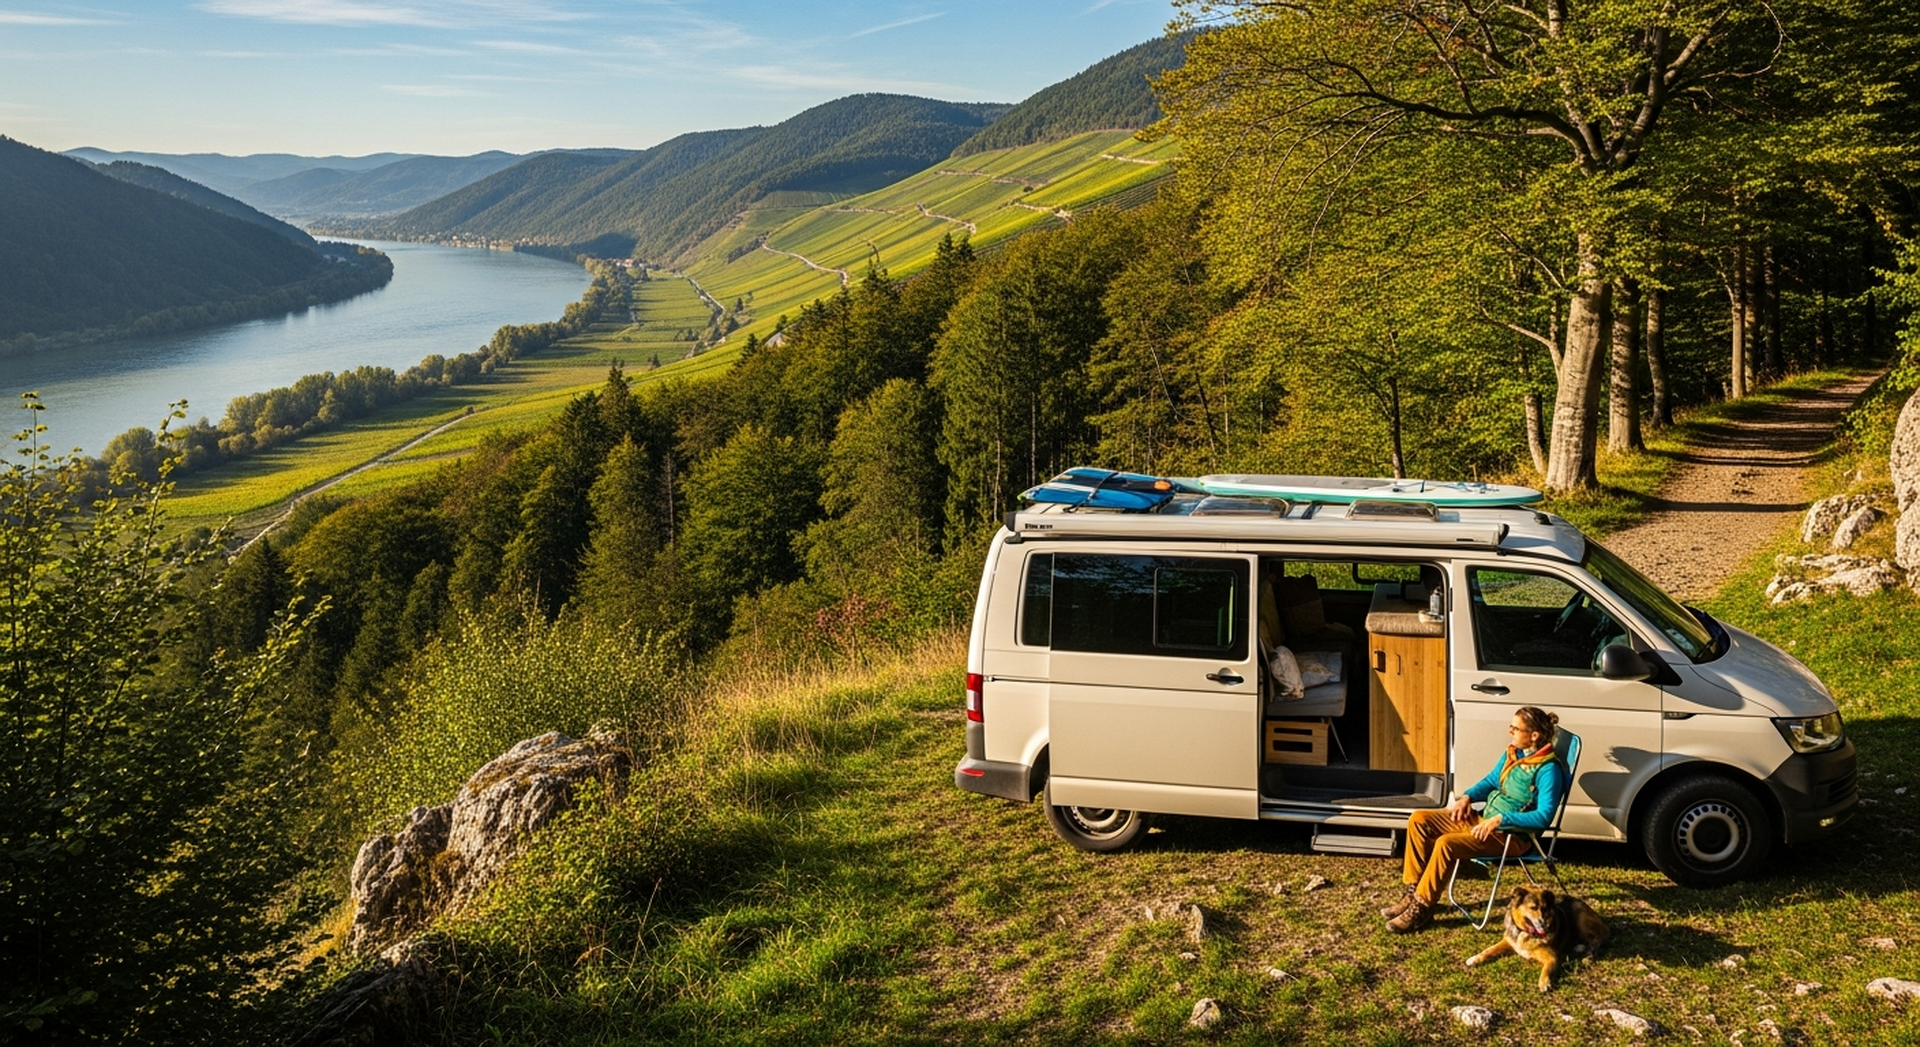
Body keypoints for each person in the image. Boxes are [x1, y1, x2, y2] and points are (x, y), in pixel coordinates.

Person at [1380, 706, 1568, 933]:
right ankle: (1413, 892)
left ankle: (1422, 908)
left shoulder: (1549, 770)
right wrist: (1467, 798)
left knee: (1446, 844)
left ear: (1534, 736)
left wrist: (1500, 819)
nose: (1510, 731)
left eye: (1515, 728)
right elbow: (1490, 782)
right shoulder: (1514, 754)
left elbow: (1543, 817)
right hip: (1483, 820)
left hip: (1510, 836)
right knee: (1420, 820)